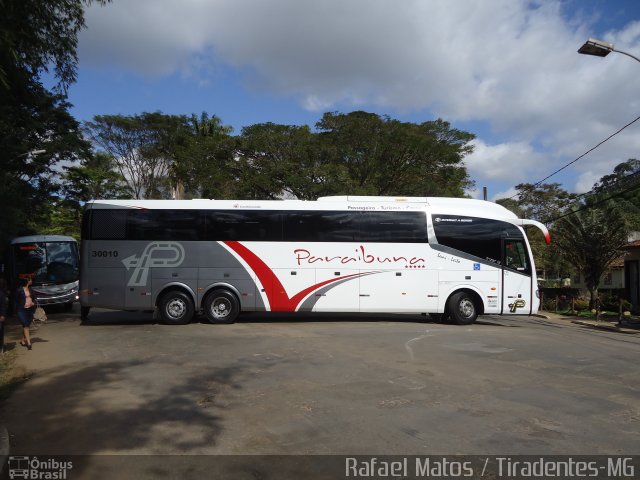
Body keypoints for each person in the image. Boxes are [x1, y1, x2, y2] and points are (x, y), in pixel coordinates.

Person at [15, 277, 35, 350]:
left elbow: (34, 298)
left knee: (26, 325)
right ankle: (29, 343)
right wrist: (15, 310)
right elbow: (15, 300)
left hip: (30, 310)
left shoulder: (31, 289)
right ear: (27, 281)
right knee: (26, 325)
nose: (31, 281)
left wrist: (33, 303)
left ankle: (22, 340)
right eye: (30, 280)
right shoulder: (19, 290)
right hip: (21, 310)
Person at [0, 279, 7, 354]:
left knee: (0, 332)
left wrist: (2, 315)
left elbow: (3, 305)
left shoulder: (1, 294)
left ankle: (1, 348)